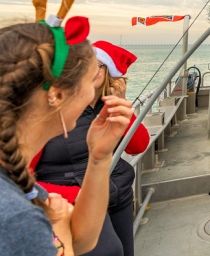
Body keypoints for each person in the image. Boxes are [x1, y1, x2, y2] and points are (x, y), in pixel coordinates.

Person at [0, 21, 133, 255]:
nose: (93, 91)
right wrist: (61, 229)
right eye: (89, 79)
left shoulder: (16, 182)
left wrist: (98, 158)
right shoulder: (18, 220)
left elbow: (83, 241)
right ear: (58, 95)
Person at [32, 41, 149, 256]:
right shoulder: (51, 115)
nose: (87, 70)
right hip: (72, 209)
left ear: (109, 72)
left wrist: (121, 104)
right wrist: (79, 196)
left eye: (97, 65)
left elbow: (138, 146)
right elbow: (20, 180)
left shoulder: (108, 107)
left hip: (118, 197)